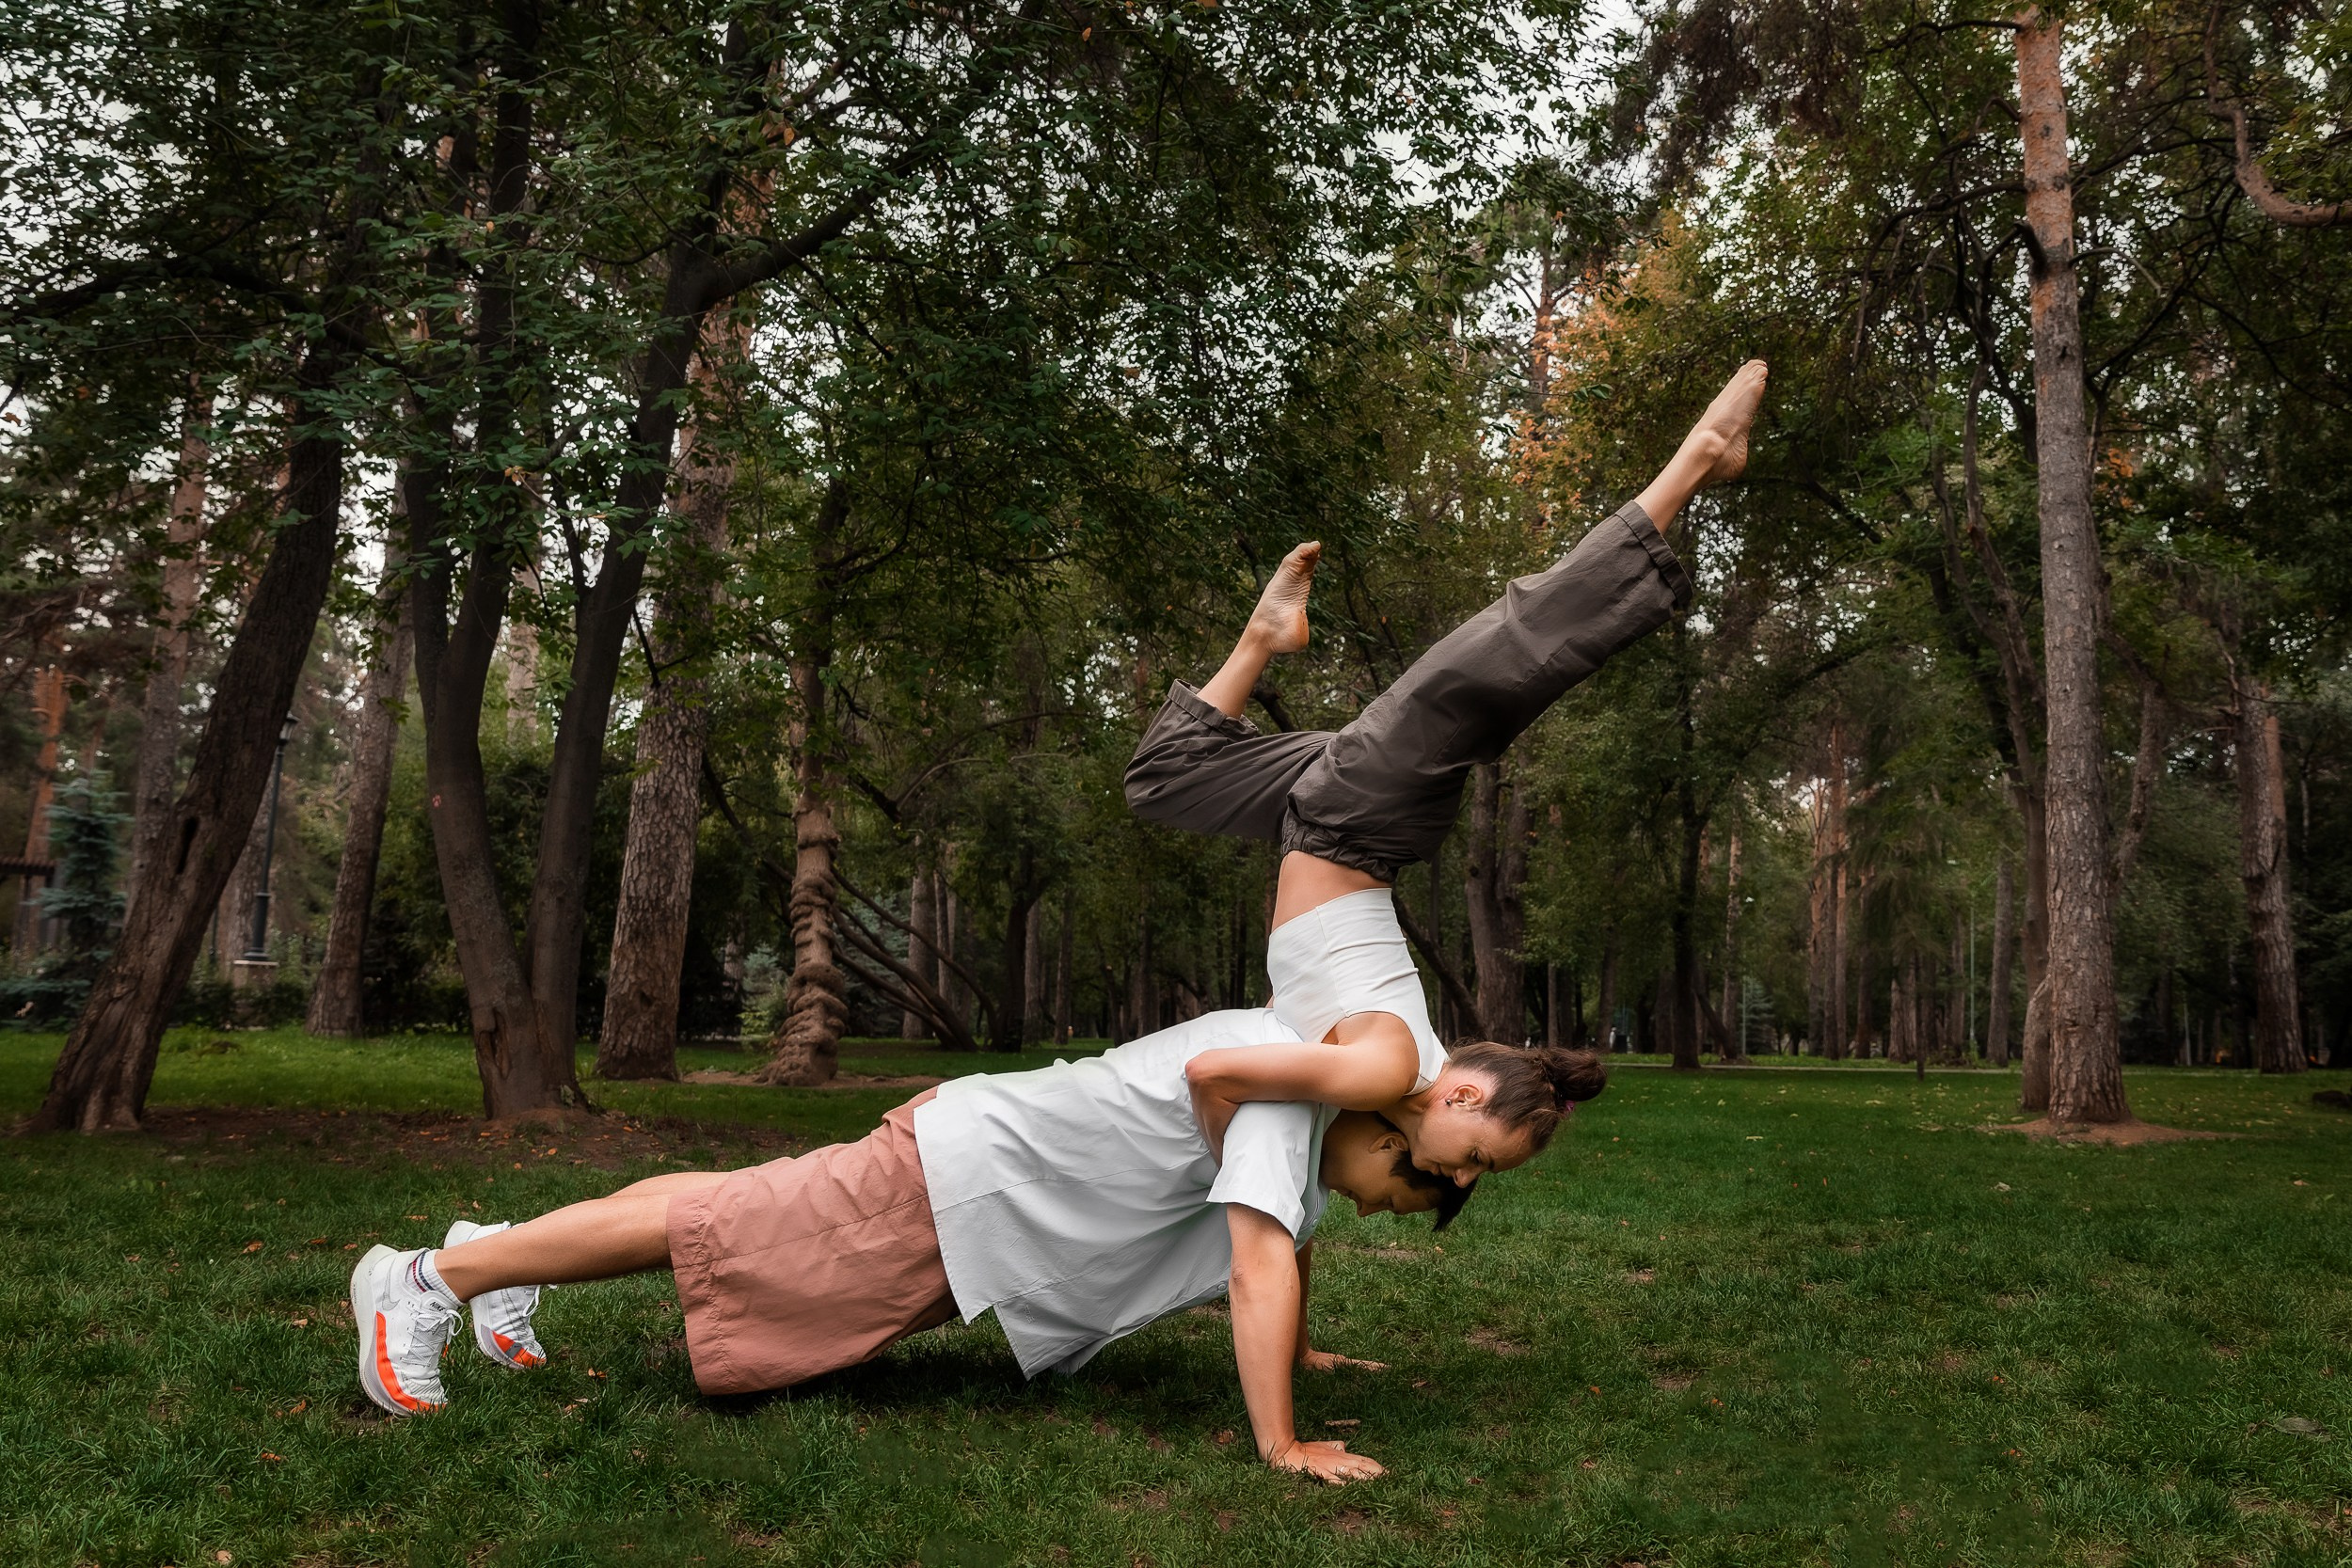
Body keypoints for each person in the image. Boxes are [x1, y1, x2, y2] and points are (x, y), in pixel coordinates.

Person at [352, 1008, 1464, 1484]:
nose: (1372, 1211)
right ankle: (421, 1281)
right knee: (725, 1223)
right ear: (1380, 1133)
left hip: (975, 1183)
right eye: (1394, 1196)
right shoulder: (1288, 1113)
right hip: (964, 1177)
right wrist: (1279, 1443)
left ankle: (501, 1250)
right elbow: (1260, 1254)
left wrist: (1305, 1352)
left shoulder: (1305, 1129)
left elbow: (1288, 1241)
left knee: (738, 1202)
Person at [1126, 362, 1770, 1180]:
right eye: (1474, 1161)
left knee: (1164, 779)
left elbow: (1225, 1060)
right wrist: (1242, 1179)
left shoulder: (1369, 1079)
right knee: (1500, 661)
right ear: (1463, 1097)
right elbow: (1220, 1084)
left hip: (1320, 813)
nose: (1459, 1179)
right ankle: (1697, 457)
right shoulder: (1389, 1070)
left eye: (1472, 1169)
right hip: (1358, 816)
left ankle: (1265, 634)